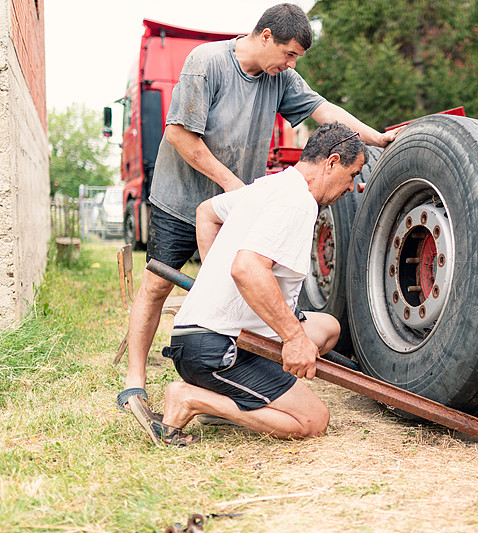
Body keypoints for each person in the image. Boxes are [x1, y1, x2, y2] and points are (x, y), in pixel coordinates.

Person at [117, 4, 400, 412]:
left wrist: (375, 138)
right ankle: (134, 382)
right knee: (158, 284)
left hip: (232, 206)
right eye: (288, 54)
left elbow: (324, 111)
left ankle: (232, 378)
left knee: (240, 286)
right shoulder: (207, 63)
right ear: (265, 36)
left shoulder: (279, 77)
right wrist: (234, 186)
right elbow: (180, 136)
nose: (290, 64)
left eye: (295, 59)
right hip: (181, 195)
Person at [129, 122, 368, 446]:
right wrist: (293, 339)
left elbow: (207, 212)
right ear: (332, 162)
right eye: (353, 174)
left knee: (327, 328)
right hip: (214, 349)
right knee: (313, 420)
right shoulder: (299, 202)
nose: (352, 186)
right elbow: (247, 269)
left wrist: (216, 289)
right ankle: (191, 399)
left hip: (199, 336)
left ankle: (237, 391)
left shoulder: (270, 186)